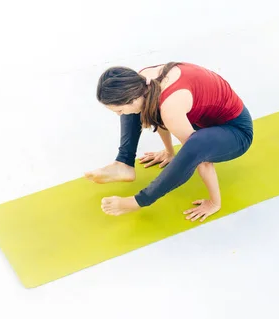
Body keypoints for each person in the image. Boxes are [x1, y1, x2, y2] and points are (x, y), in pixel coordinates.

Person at [85, 62, 254, 222]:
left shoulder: (170, 106)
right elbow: (156, 113)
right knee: (135, 111)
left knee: (195, 145)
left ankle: (137, 202)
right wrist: (169, 152)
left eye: (119, 110)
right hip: (201, 118)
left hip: (236, 132)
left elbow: (200, 157)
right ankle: (124, 163)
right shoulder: (143, 81)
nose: (118, 115)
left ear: (133, 99)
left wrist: (214, 202)